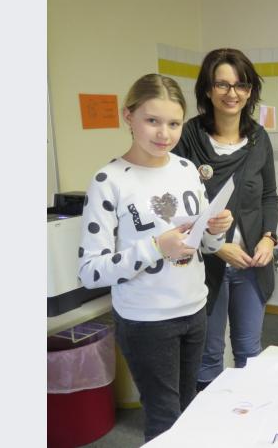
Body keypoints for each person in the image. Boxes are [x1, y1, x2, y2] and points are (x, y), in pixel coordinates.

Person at [78, 74, 233, 442]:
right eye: (152, 121)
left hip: (194, 308)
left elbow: (205, 247)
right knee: (164, 418)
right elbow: (90, 271)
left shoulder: (184, 170)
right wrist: (154, 248)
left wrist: (215, 230)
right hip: (146, 319)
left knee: (188, 408)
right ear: (127, 116)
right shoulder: (109, 179)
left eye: (174, 123)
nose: (164, 133)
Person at [173, 48, 278, 391]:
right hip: (205, 264)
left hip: (251, 264)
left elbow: (269, 196)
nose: (232, 93)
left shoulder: (259, 138)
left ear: (249, 92)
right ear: (207, 89)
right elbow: (175, 205)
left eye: (240, 85)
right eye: (222, 84)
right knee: (209, 356)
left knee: (250, 352)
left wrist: (268, 238)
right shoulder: (188, 137)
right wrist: (218, 248)